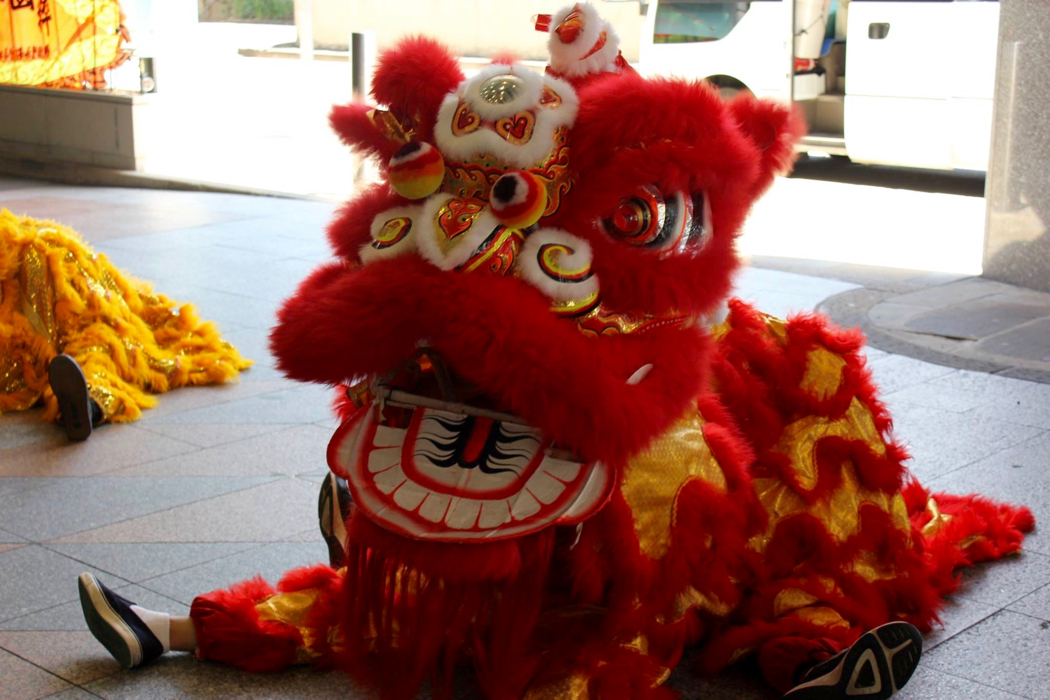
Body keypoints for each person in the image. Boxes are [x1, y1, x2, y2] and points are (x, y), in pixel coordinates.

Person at [0, 208, 251, 440]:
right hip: (32, 290)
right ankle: (88, 403)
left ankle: (89, 402)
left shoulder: (38, 251)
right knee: (88, 344)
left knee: (103, 334)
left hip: (55, 275)